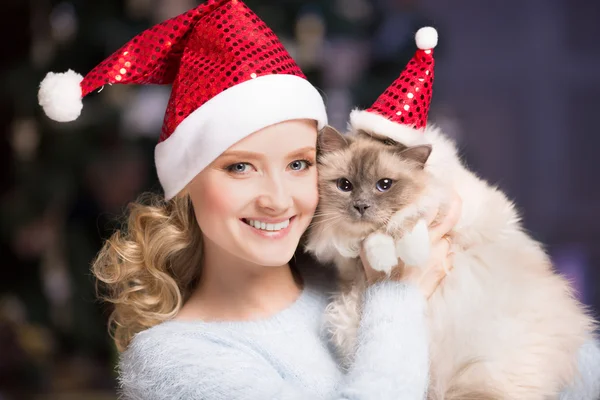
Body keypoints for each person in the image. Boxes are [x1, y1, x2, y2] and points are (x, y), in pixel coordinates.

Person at [37, 1, 600, 399]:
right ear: (185, 184)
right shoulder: (176, 360)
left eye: (299, 164)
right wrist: (397, 299)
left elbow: (558, 359)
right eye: (240, 167)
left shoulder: (350, 274)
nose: (278, 199)